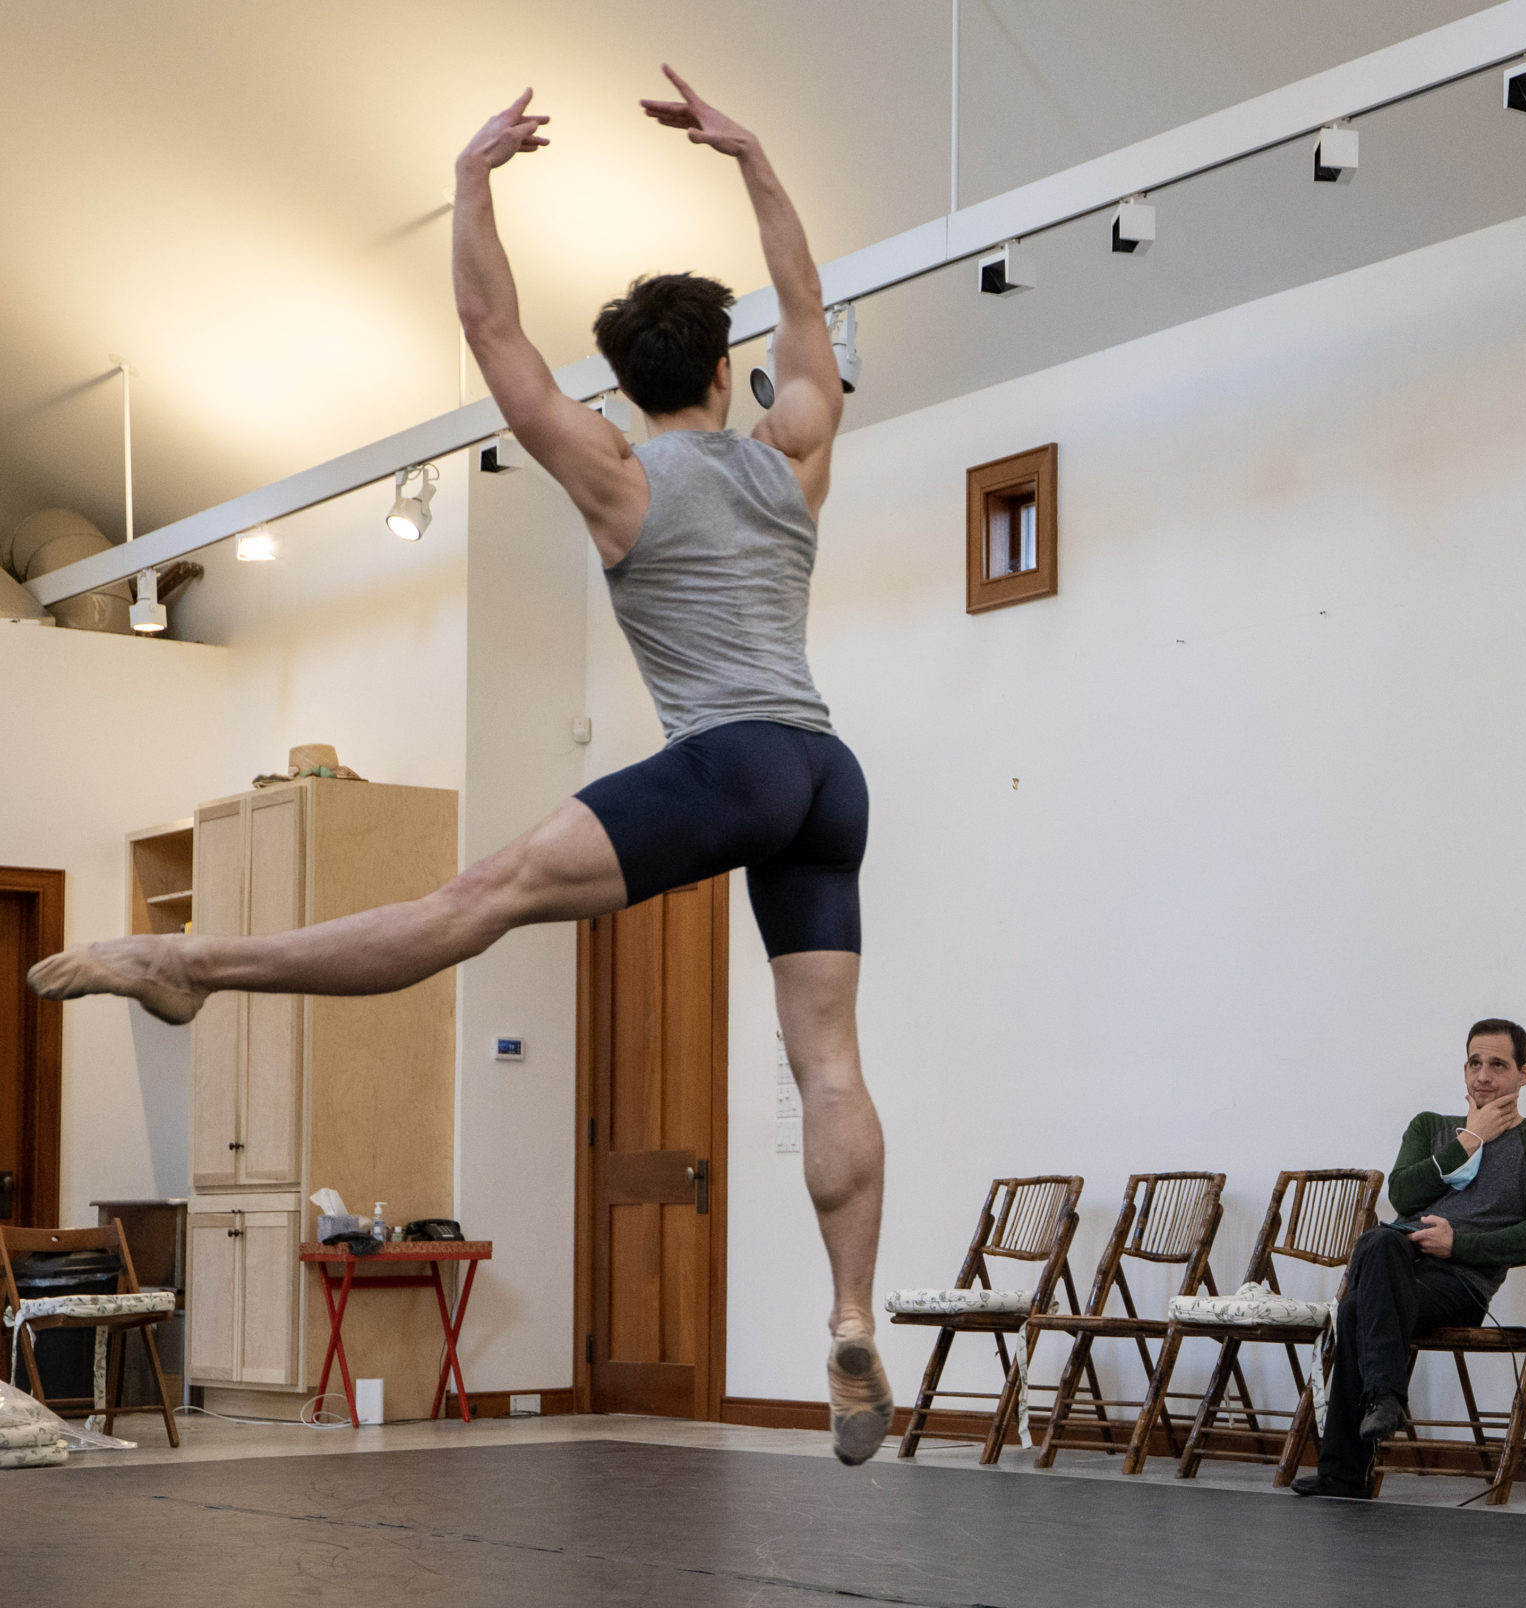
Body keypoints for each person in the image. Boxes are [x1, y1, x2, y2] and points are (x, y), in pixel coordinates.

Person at [27, 72, 898, 1467]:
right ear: (728, 372)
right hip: (824, 767)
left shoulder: (616, 473)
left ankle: (200, 964)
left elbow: (489, 328)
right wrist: (753, 156)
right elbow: (804, 298)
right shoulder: (795, 450)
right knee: (831, 1055)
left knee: (466, 903)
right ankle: (852, 1309)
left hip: (727, 758)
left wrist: (475, 178)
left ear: (626, 382)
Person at [1292, 1019, 1526, 1500]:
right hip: (1399, 1262)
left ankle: (1349, 1462)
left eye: (1498, 1065)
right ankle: (1385, 1397)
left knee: (1359, 1309)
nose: (1483, 1076)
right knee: (1381, 1241)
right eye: (1474, 1063)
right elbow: (1402, 1193)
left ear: (1524, 1074)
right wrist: (1470, 1139)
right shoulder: (1430, 1127)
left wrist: (1457, 1245)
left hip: (1459, 1285)